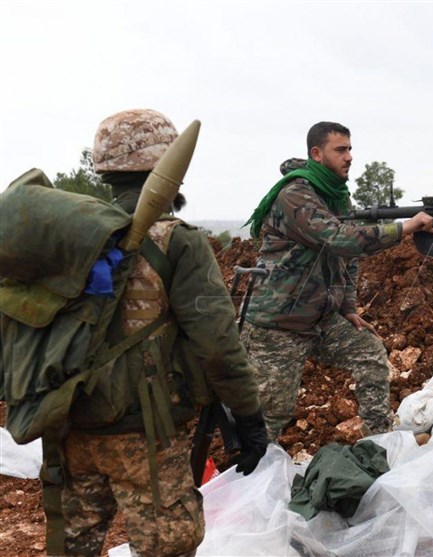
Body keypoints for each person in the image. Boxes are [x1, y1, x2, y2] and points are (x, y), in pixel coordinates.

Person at [59, 109, 268, 556]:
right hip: (144, 433)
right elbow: (217, 346)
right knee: (168, 545)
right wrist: (248, 416)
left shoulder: (71, 236)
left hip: (69, 424)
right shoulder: (178, 241)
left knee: (73, 545)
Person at [242, 121, 433, 442]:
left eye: (350, 149)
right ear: (317, 154)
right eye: (340, 150)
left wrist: (347, 306)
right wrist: (405, 228)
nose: (349, 157)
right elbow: (339, 239)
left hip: (319, 318)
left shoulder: (336, 196)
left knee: (370, 355)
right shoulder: (295, 196)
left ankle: (381, 441)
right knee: (272, 413)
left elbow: (349, 258)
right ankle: (253, 479)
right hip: (277, 325)